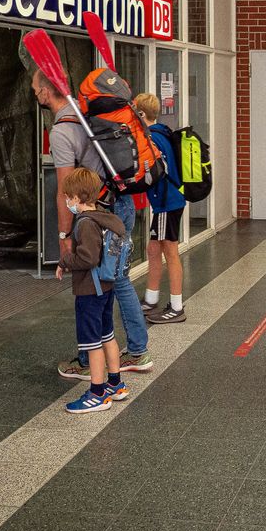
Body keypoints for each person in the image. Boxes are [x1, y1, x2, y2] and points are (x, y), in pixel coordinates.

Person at [32, 69, 153, 378]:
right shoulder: (83, 110)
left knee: (99, 284)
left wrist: (64, 235)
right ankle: (123, 351)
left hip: (96, 215)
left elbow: (64, 190)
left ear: (46, 91)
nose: (34, 94)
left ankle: (100, 359)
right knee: (117, 279)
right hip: (120, 204)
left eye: (36, 88)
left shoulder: (61, 131)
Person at [58, 167, 130, 414]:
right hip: (106, 287)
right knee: (107, 335)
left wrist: (66, 261)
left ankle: (97, 393)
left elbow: (88, 258)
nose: (67, 201)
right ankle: (115, 383)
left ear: (77, 198)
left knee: (92, 343)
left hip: (91, 290)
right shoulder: (105, 217)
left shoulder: (86, 223)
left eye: (69, 197)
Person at [134, 93, 187, 324]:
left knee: (170, 252)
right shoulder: (161, 132)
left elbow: (153, 172)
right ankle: (151, 298)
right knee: (154, 249)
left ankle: (176, 307)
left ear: (142, 114)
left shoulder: (152, 139)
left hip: (167, 203)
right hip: (167, 201)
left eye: (135, 111)